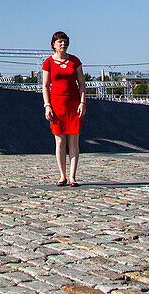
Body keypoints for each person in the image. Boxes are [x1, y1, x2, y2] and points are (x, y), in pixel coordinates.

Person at [41, 31, 86, 186]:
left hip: (74, 105)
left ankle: (73, 177)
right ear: (54, 44)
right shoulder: (48, 62)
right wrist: (47, 105)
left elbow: (82, 84)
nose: (63, 44)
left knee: (74, 141)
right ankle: (62, 176)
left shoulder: (75, 61)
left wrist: (82, 103)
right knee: (60, 142)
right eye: (60, 41)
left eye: (65, 41)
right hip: (56, 105)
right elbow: (45, 86)